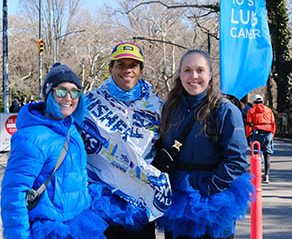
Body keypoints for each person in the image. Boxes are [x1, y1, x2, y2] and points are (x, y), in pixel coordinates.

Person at [1, 63, 108, 239]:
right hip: (50, 229)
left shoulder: (70, 127)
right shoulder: (31, 137)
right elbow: (14, 193)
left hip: (78, 224)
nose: (68, 98)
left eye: (75, 92)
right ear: (49, 93)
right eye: (61, 91)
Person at [157, 50, 254, 239]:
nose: (193, 76)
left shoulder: (225, 110)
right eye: (187, 70)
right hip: (177, 200)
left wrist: (207, 189)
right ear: (180, 75)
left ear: (210, 75)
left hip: (212, 200)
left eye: (200, 70)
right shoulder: (169, 108)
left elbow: (236, 160)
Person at [81, 42, 171, 239]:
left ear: (141, 71)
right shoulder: (89, 101)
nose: (127, 70)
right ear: (110, 68)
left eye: (133, 65)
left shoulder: (156, 105)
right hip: (100, 199)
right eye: (121, 64)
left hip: (141, 199)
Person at [246, 94, 276, 184]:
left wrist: (248, 135)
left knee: (256, 154)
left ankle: (257, 174)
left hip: (258, 132)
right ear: (262, 102)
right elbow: (273, 123)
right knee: (267, 155)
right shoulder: (269, 110)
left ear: (254, 102)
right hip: (268, 133)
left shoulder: (251, 110)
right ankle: (266, 175)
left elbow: (249, 124)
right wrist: (272, 134)